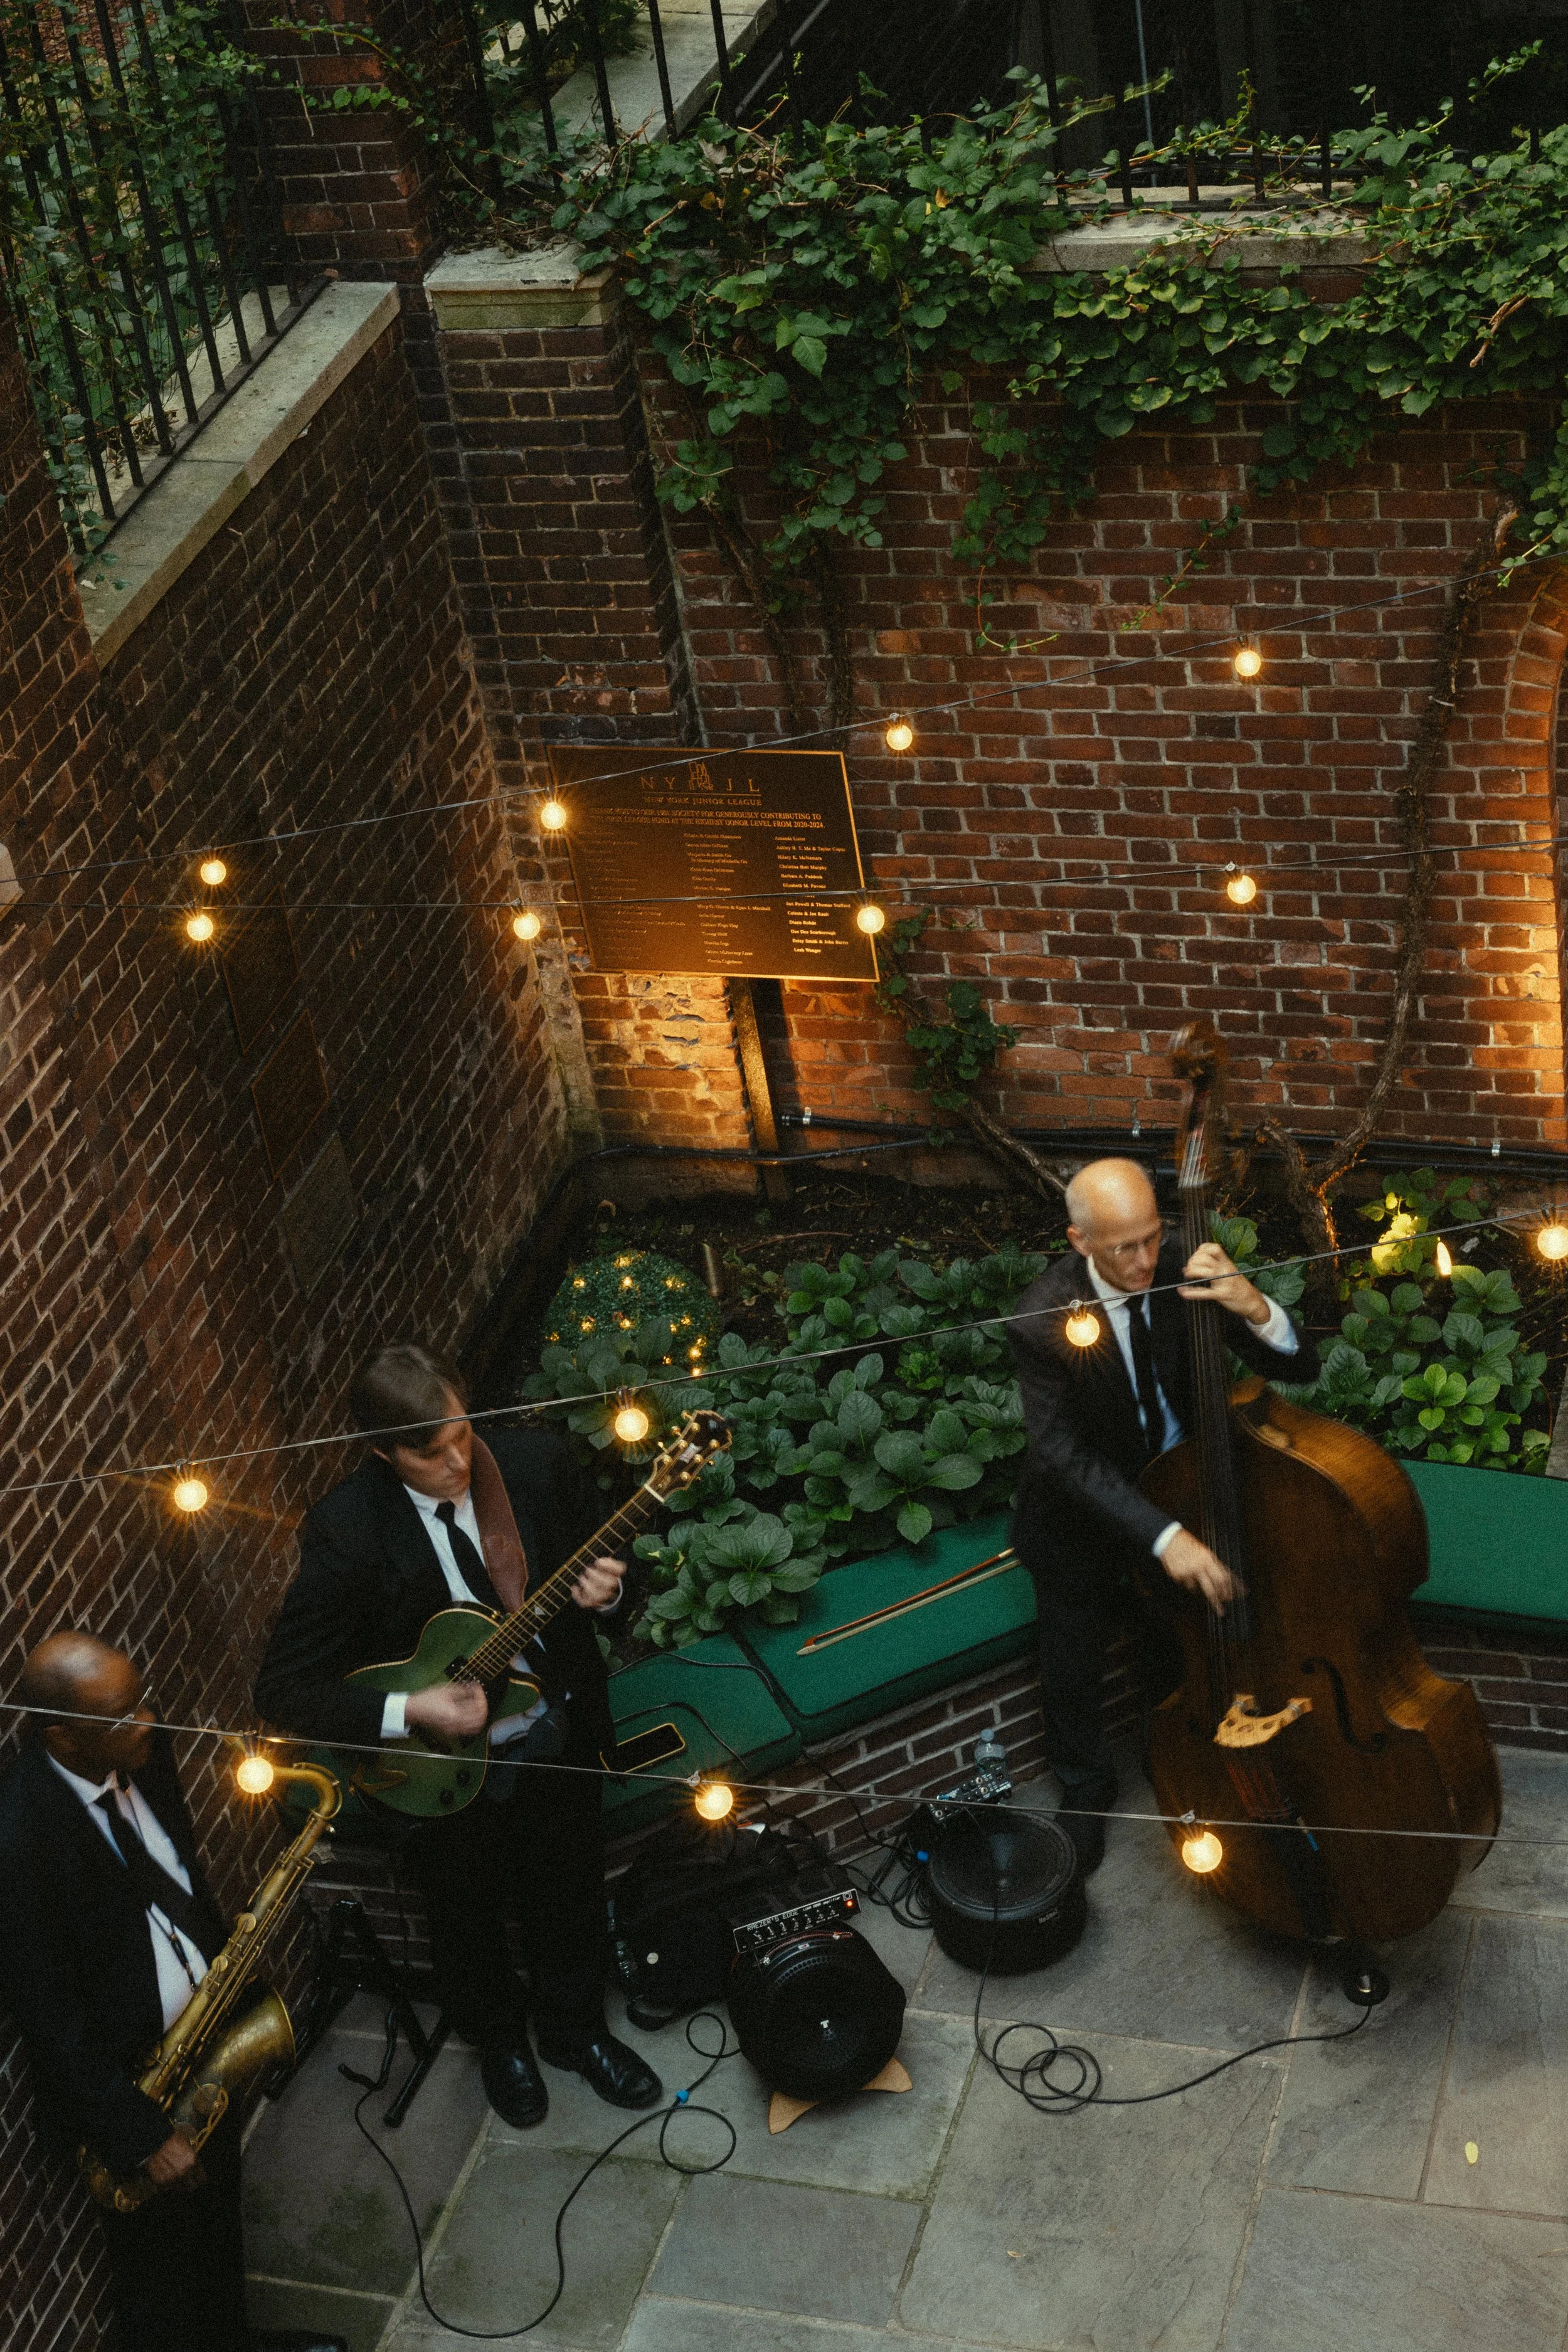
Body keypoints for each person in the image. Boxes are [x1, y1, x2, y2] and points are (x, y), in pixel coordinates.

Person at [254, 1342, 660, 2130]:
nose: (455, 1461)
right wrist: (414, 1711)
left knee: (568, 1890)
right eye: (428, 1452)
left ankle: (577, 2035)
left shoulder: (534, 1467)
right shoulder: (348, 1533)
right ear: (381, 1451)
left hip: (549, 1733)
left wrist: (609, 1596)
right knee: (465, 1916)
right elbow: (281, 1689)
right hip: (435, 1769)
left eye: (462, 1434)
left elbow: (619, 1567)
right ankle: (502, 2045)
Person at [0, 1632, 344, 2352]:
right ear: (61, 1737)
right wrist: (142, 2134)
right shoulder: (18, 1837)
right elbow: (50, 2017)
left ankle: (230, 2339)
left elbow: (178, 1889)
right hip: (133, 2088)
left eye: (141, 1702)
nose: (149, 1722)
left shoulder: (142, 1760)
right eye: (122, 1715)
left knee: (218, 2219)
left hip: (203, 2037)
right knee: (156, 2274)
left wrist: (227, 1994)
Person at [1007, 1158, 1320, 1873]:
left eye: (1152, 1237)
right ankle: (1085, 1792)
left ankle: (1177, 1775)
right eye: (1123, 1247)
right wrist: (1162, 1535)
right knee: (1073, 1662)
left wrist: (1251, 1305)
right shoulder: (1040, 1317)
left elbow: (1301, 1367)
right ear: (1079, 1240)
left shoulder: (1188, 1264)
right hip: (1078, 1520)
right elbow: (1062, 1453)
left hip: (1182, 1490)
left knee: (1168, 1648)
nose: (1146, 1260)